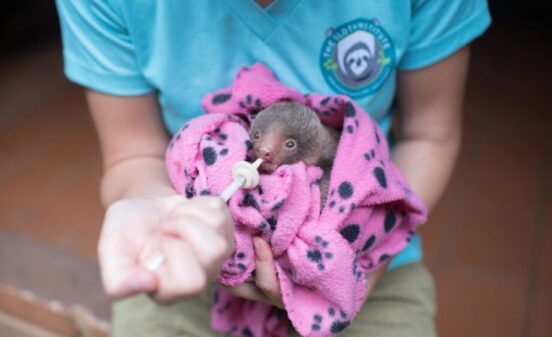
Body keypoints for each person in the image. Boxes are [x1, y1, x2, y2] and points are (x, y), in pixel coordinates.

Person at [55, 1, 491, 336]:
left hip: (366, 255)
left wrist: (355, 267)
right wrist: (158, 207)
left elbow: (429, 134)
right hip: (188, 244)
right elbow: (133, 154)